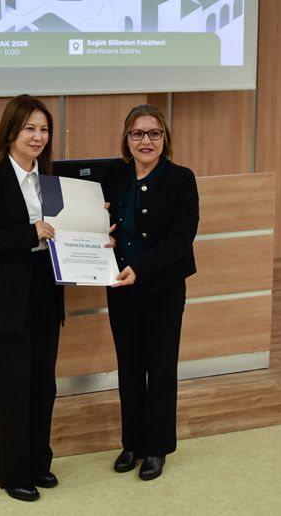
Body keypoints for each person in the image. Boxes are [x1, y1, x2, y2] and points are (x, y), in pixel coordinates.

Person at [0, 95, 65, 503]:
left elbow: (62, 231)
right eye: (29, 128)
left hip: (44, 289)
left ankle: (38, 462)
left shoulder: (51, 178)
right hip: (5, 297)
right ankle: (12, 473)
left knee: (43, 384)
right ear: (10, 131)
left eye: (44, 129)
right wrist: (29, 233)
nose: (38, 137)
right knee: (13, 388)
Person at [102, 104, 199, 481]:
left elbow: (181, 238)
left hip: (162, 289)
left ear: (164, 138)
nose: (146, 141)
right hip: (120, 288)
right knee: (128, 368)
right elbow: (103, 221)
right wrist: (103, 235)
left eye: (154, 133)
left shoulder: (181, 179)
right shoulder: (114, 175)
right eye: (138, 134)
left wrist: (140, 269)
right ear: (127, 139)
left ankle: (156, 447)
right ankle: (132, 443)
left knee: (159, 369)